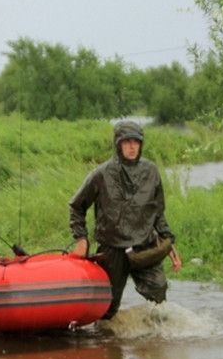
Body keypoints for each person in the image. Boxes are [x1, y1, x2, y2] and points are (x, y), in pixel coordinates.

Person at [69, 119, 182, 319]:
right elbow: (76, 206)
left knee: (158, 292)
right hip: (113, 249)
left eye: (136, 142)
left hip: (144, 245)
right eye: (126, 141)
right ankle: (107, 346)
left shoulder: (151, 172)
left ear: (141, 144)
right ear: (118, 144)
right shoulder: (102, 174)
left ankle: (153, 345)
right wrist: (81, 239)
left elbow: (157, 212)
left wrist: (168, 241)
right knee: (108, 310)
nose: (132, 146)